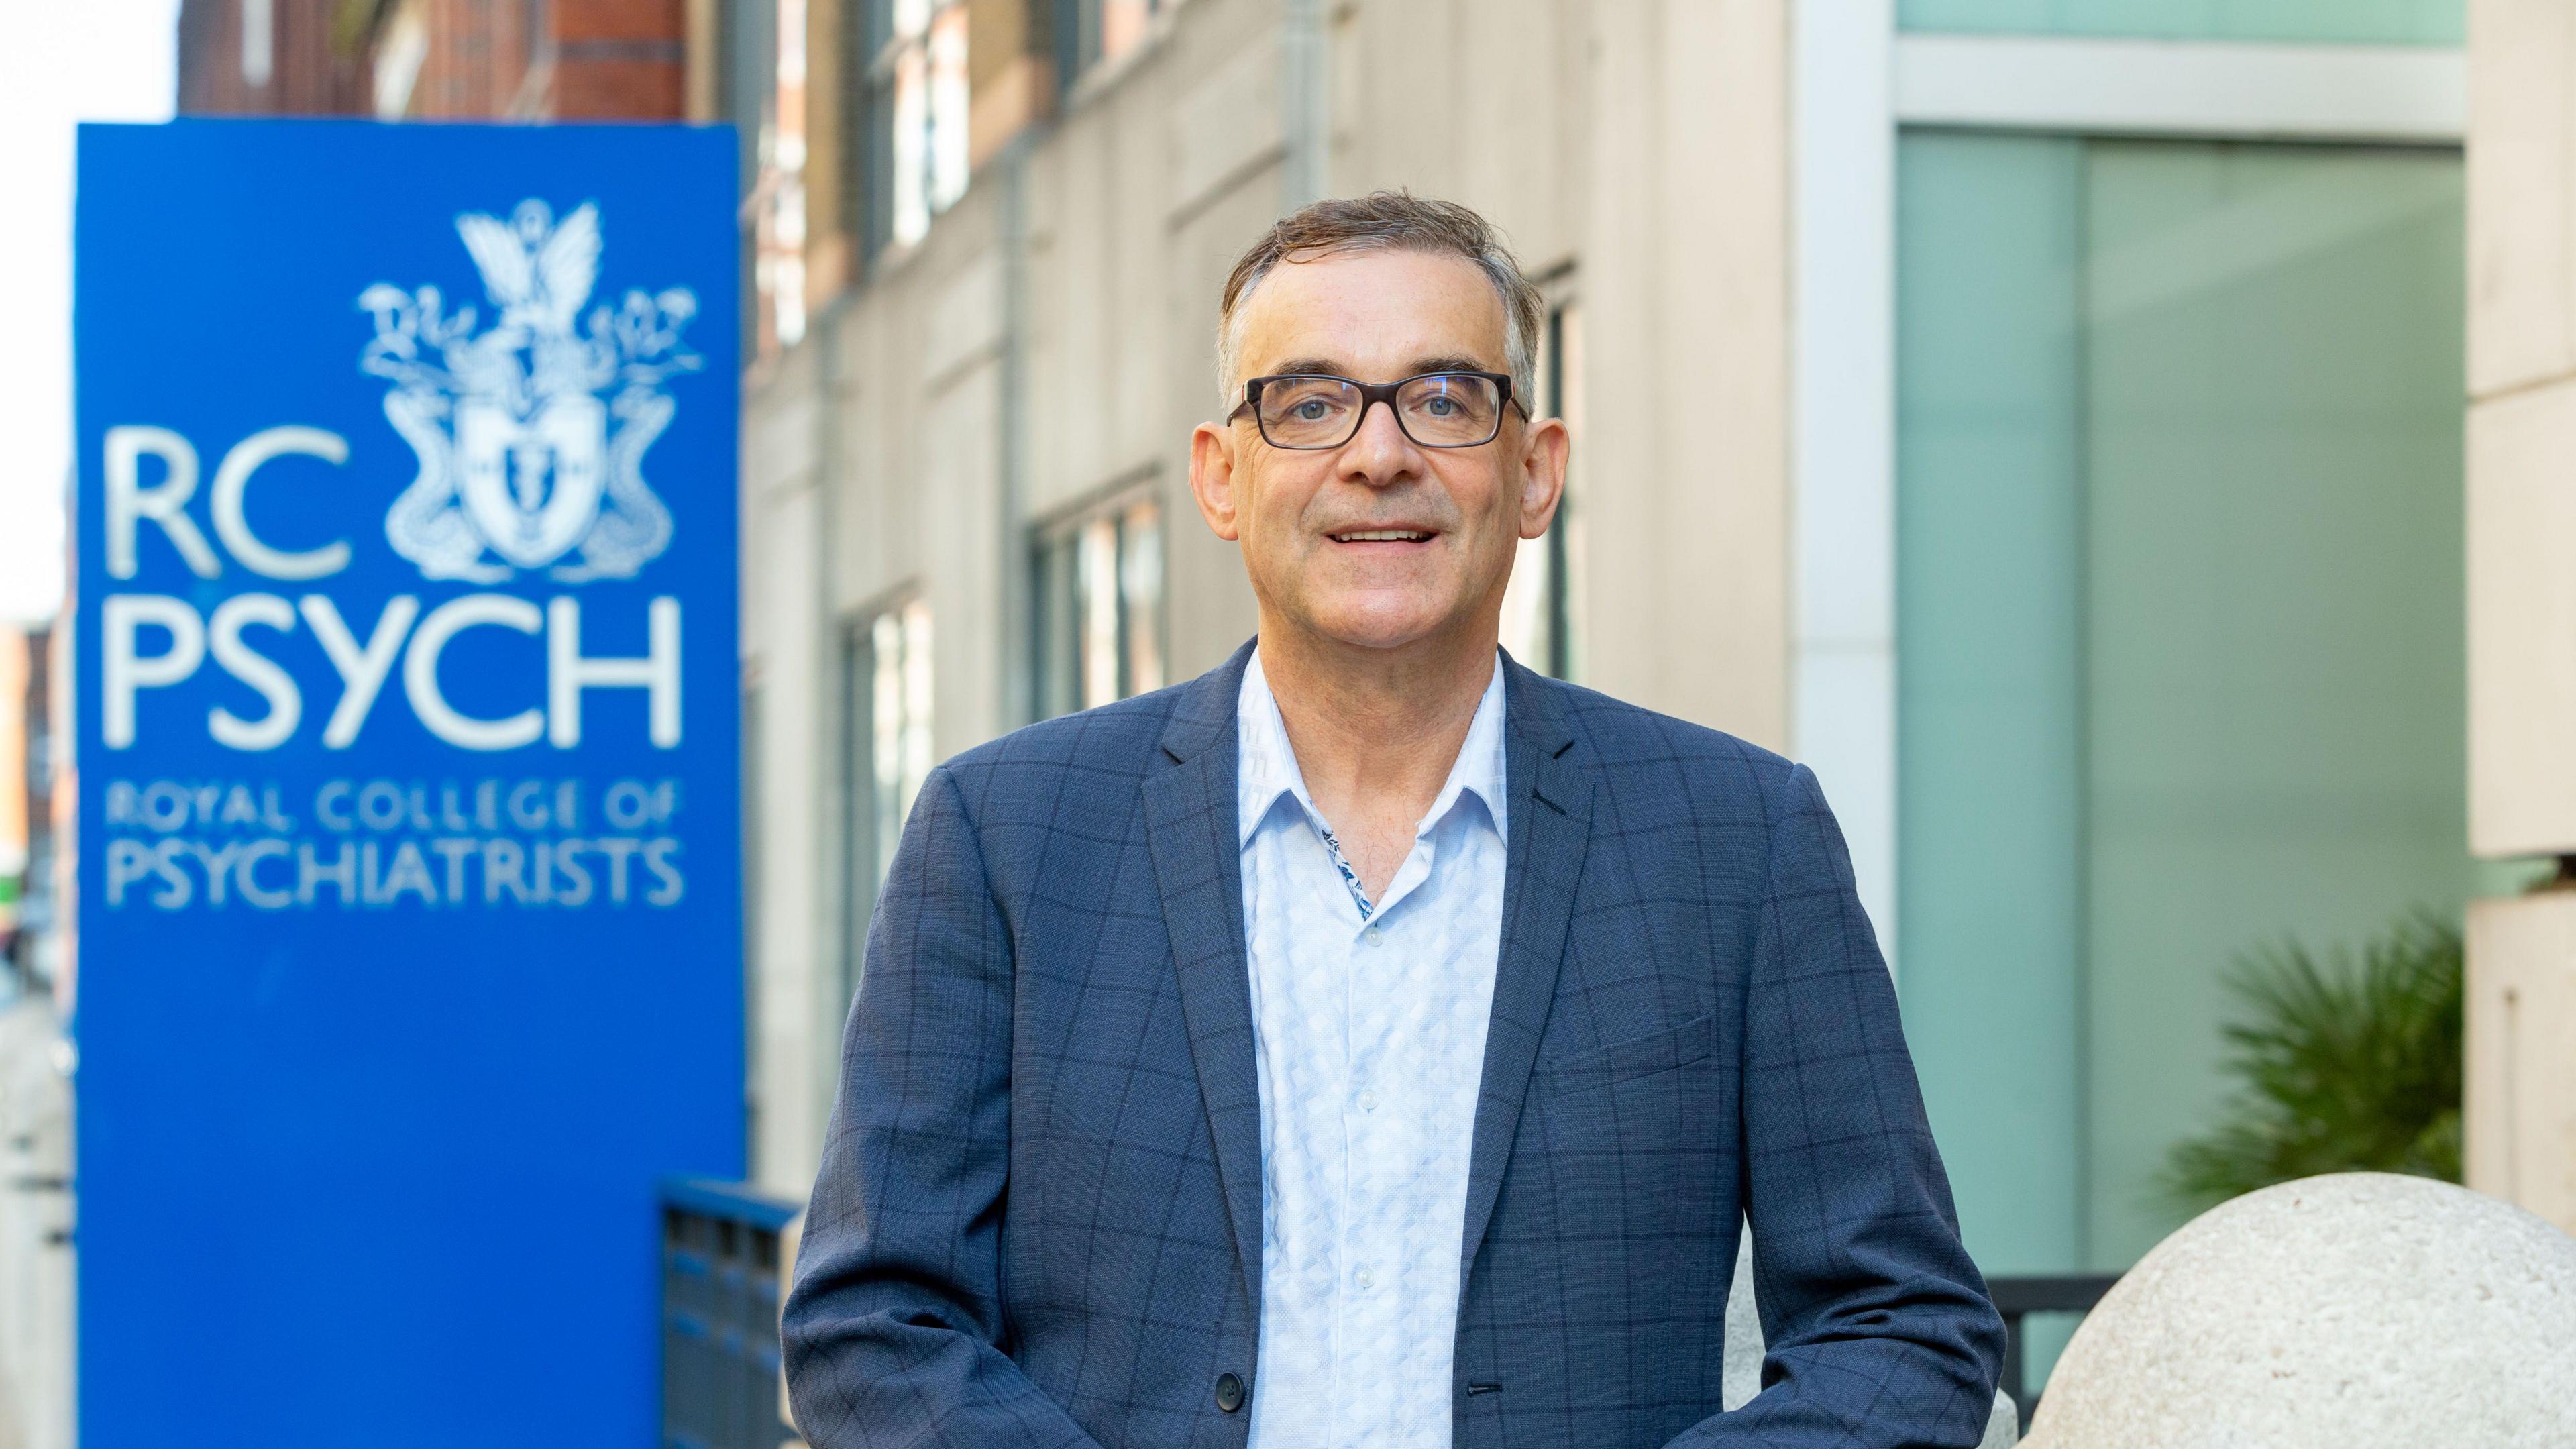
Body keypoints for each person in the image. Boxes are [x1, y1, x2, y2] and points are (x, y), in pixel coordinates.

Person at [782, 191, 2005, 1448]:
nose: (1379, 454)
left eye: (1444, 398)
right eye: (1309, 403)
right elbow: (872, 1321)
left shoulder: (1739, 839)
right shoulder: (1009, 835)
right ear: (1221, 475)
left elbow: (1903, 1329)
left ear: (1534, 473)